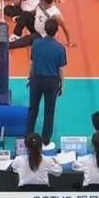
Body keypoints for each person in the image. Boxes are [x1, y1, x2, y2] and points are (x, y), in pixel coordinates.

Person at [26, 19, 67, 150]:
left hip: (36, 80)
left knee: (33, 109)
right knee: (49, 112)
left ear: (45, 29)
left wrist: (29, 77)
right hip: (51, 82)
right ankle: (46, 141)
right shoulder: (60, 48)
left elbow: (32, 63)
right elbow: (60, 70)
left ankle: (28, 137)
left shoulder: (36, 44)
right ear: (56, 31)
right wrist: (62, 85)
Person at [10, 0, 75, 49]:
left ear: (43, 1)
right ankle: (16, 35)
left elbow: (65, 27)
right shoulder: (41, 5)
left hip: (42, 36)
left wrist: (69, 42)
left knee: (27, 39)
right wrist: (21, 18)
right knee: (25, 14)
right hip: (35, 27)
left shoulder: (55, 15)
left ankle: (8, 45)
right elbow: (33, 12)